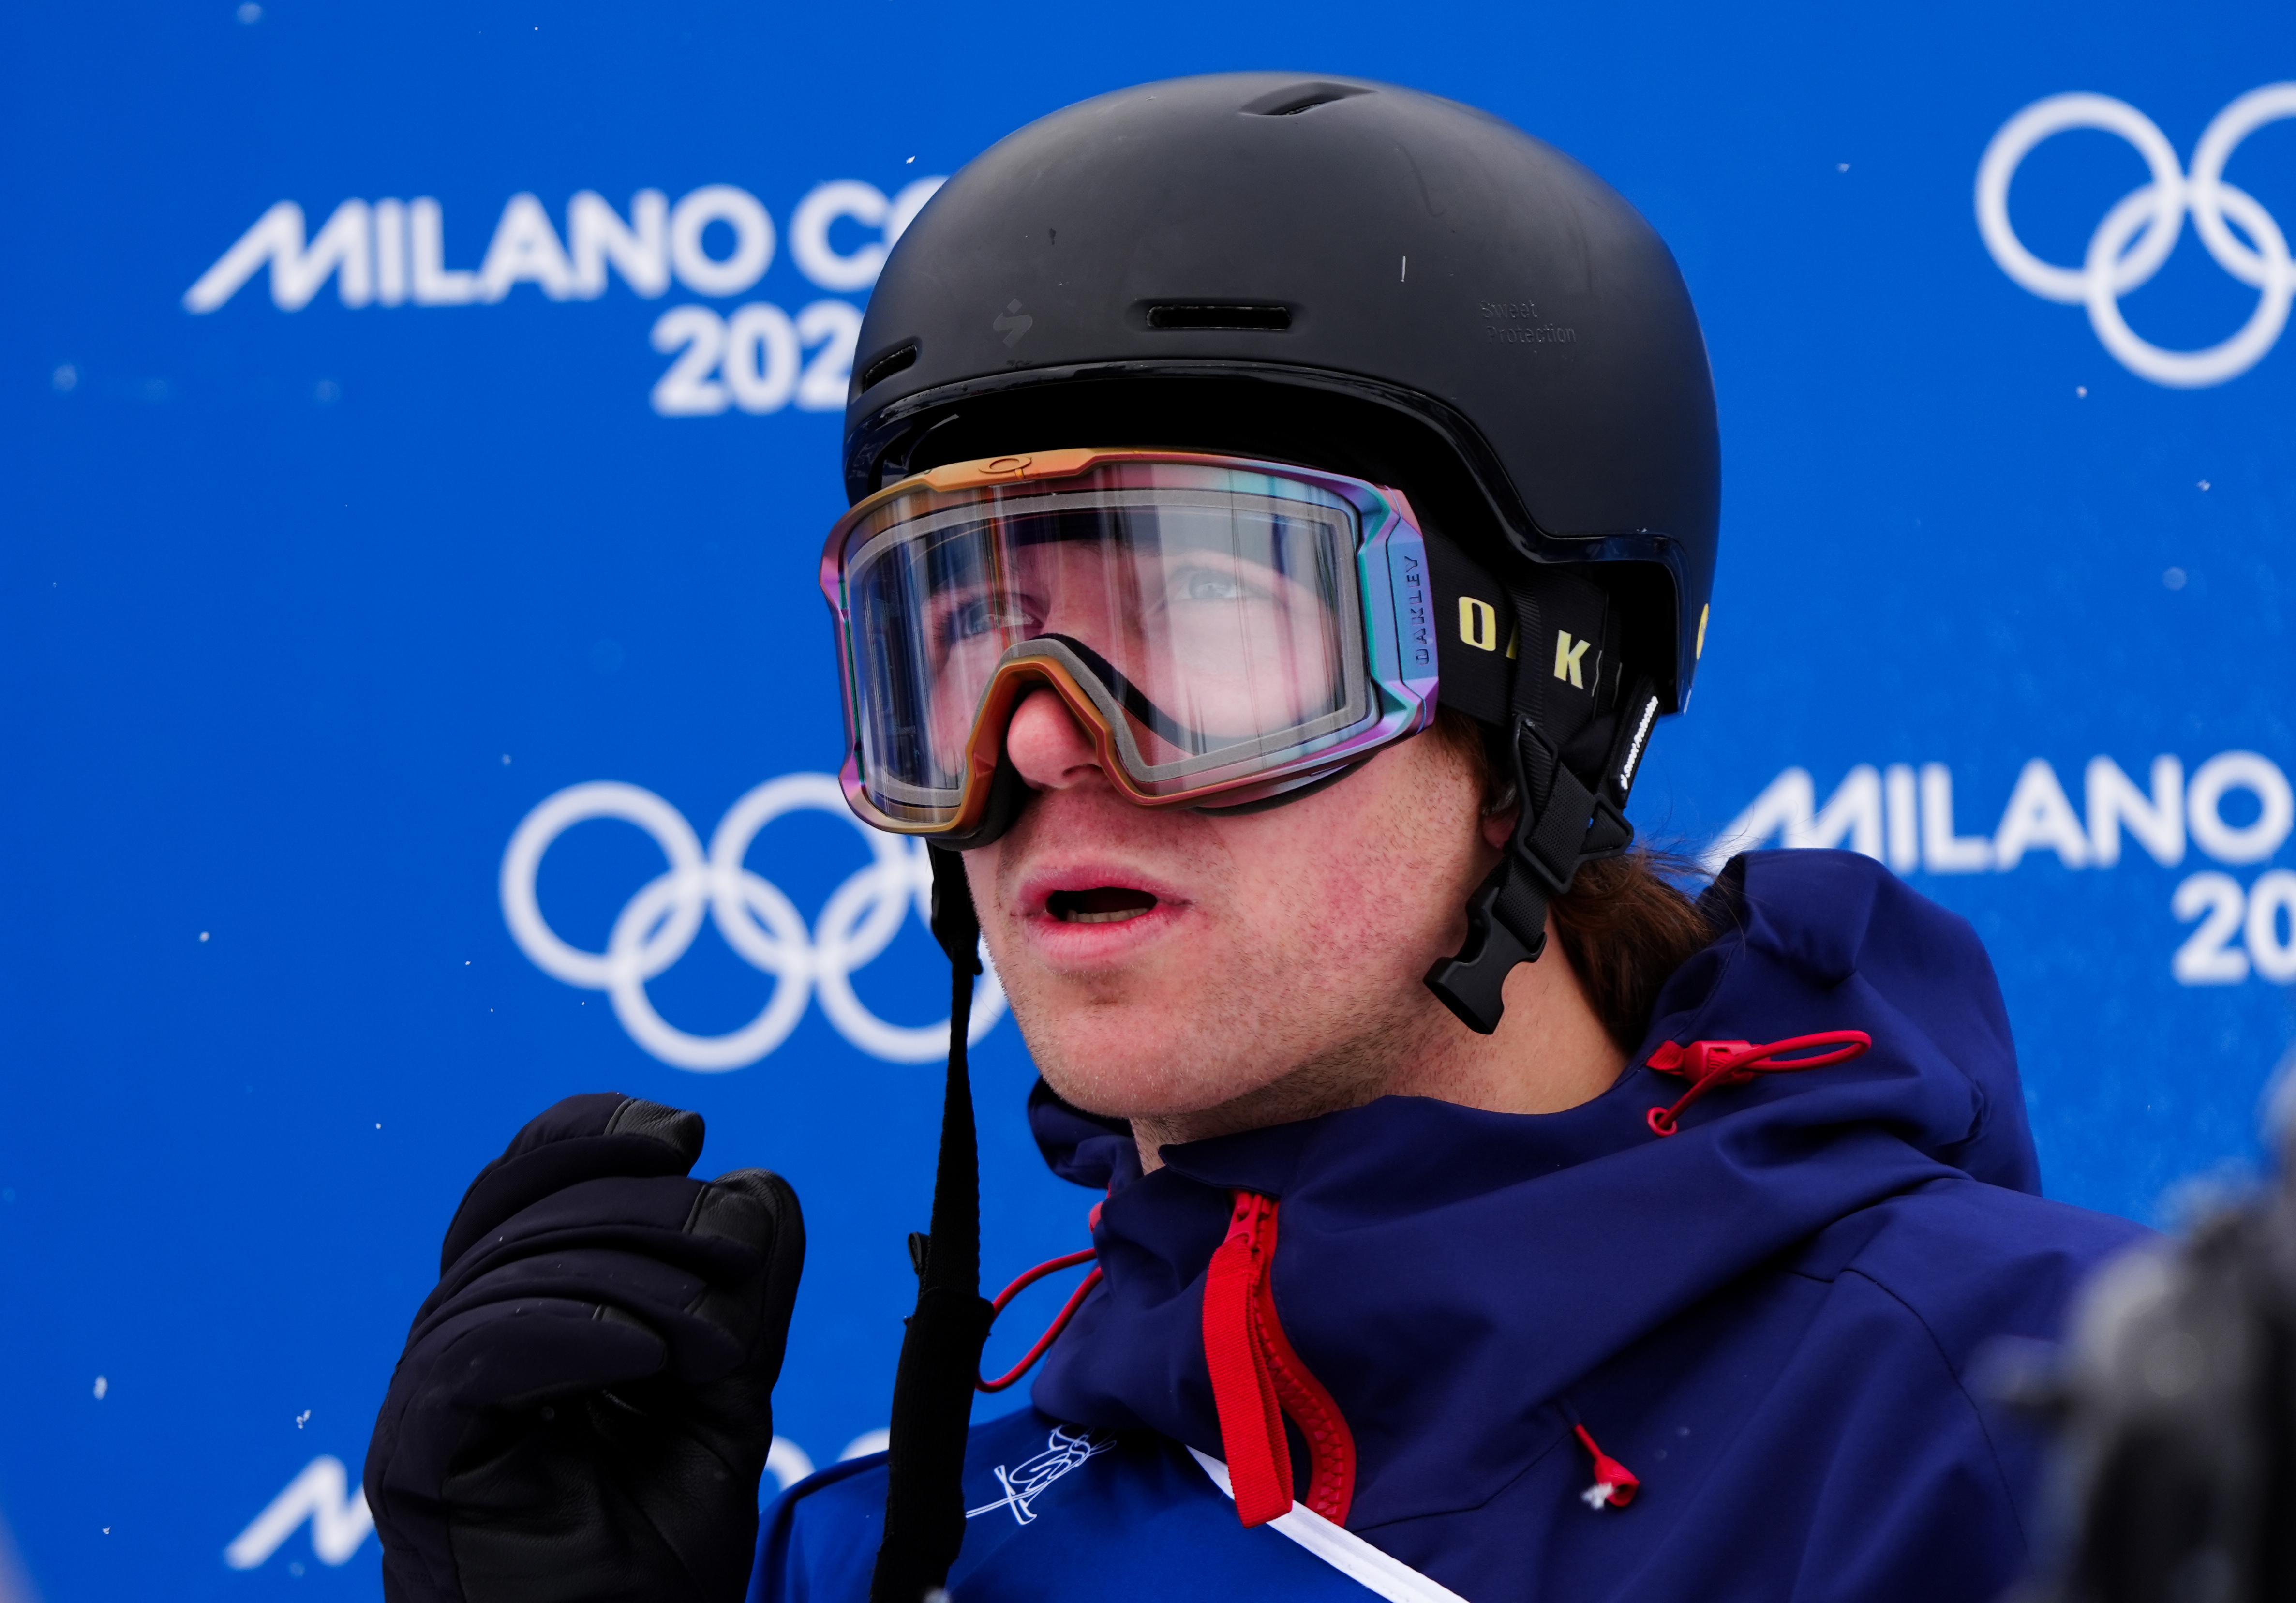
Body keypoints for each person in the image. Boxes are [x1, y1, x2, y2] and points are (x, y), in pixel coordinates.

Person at [364, 73, 2150, 1603]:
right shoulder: (894, 1557)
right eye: (961, 636)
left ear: (1543, 700)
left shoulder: (2024, 1433)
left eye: (1205, 618)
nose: (1046, 734)